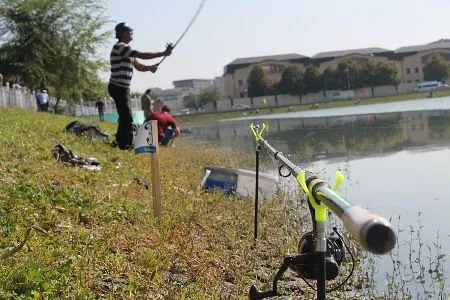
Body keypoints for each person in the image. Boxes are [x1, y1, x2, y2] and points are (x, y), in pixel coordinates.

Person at [108, 22, 172, 150]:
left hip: (123, 88)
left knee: (125, 115)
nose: (132, 32)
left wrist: (149, 68)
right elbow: (141, 55)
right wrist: (163, 53)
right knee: (127, 116)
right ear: (122, 33)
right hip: (118, 87)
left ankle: (122, 142)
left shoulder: (127, 51)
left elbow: (138, 66)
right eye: (129, 30)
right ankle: (125, 144)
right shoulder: (120, 47)